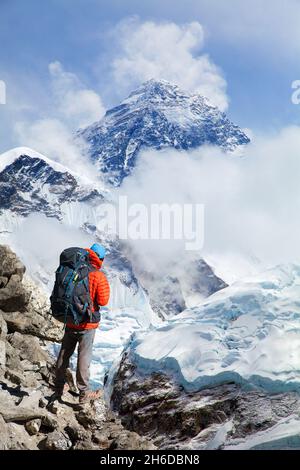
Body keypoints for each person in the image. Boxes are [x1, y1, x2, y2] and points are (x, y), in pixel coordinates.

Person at [53, 243, 110, 404]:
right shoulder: (98, 275)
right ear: (100, 259)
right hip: (87, 324)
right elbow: (103, 301)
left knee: (64, 354)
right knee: (84, 359)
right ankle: (83, 395)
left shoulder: (73, 269)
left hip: (70, 319)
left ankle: (57, 388)